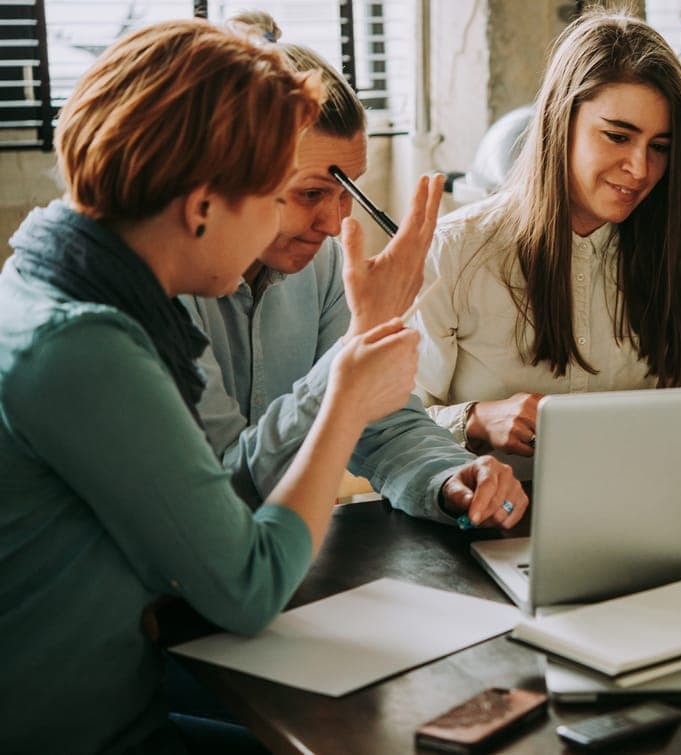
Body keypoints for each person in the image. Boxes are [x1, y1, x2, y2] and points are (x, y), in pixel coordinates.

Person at [0, 20, 420, 753]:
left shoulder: (47, 278)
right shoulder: (85, 346)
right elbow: (249, 586)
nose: (279, 229)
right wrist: (345, 395)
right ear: (201, 208)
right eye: (271, 199)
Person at [183, 12, 526, 531]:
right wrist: (360, 342)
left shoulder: (322, 263)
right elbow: (230, 484)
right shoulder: (170, 284)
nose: (334, 222)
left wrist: (449, 478)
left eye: (349, 192)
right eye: (311, 193)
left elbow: (380, 423)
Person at [413, 11, 681, 468]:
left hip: (641, 520)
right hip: (485, 523)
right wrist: (473, 420)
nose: (640, 168)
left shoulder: (677, 249)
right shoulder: (455, 250)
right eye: (617, 136)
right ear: (560, 123)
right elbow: (386, 429)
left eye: (660, 147)